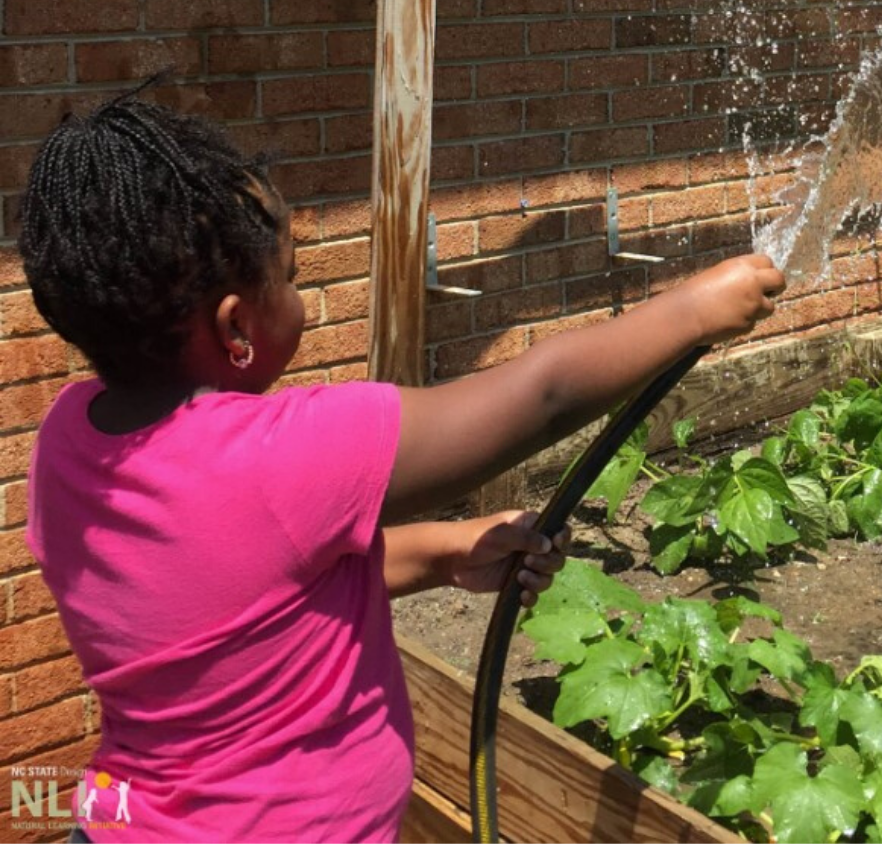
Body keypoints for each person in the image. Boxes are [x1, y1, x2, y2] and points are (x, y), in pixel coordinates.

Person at [20, 86, 784, 843]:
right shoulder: (288, 452)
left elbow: (243, 601)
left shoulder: (67, 440)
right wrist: (692, 312)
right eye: (290, 277)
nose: (300, 291)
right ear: (237, 329)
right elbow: (542, 396)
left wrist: (450, 551)